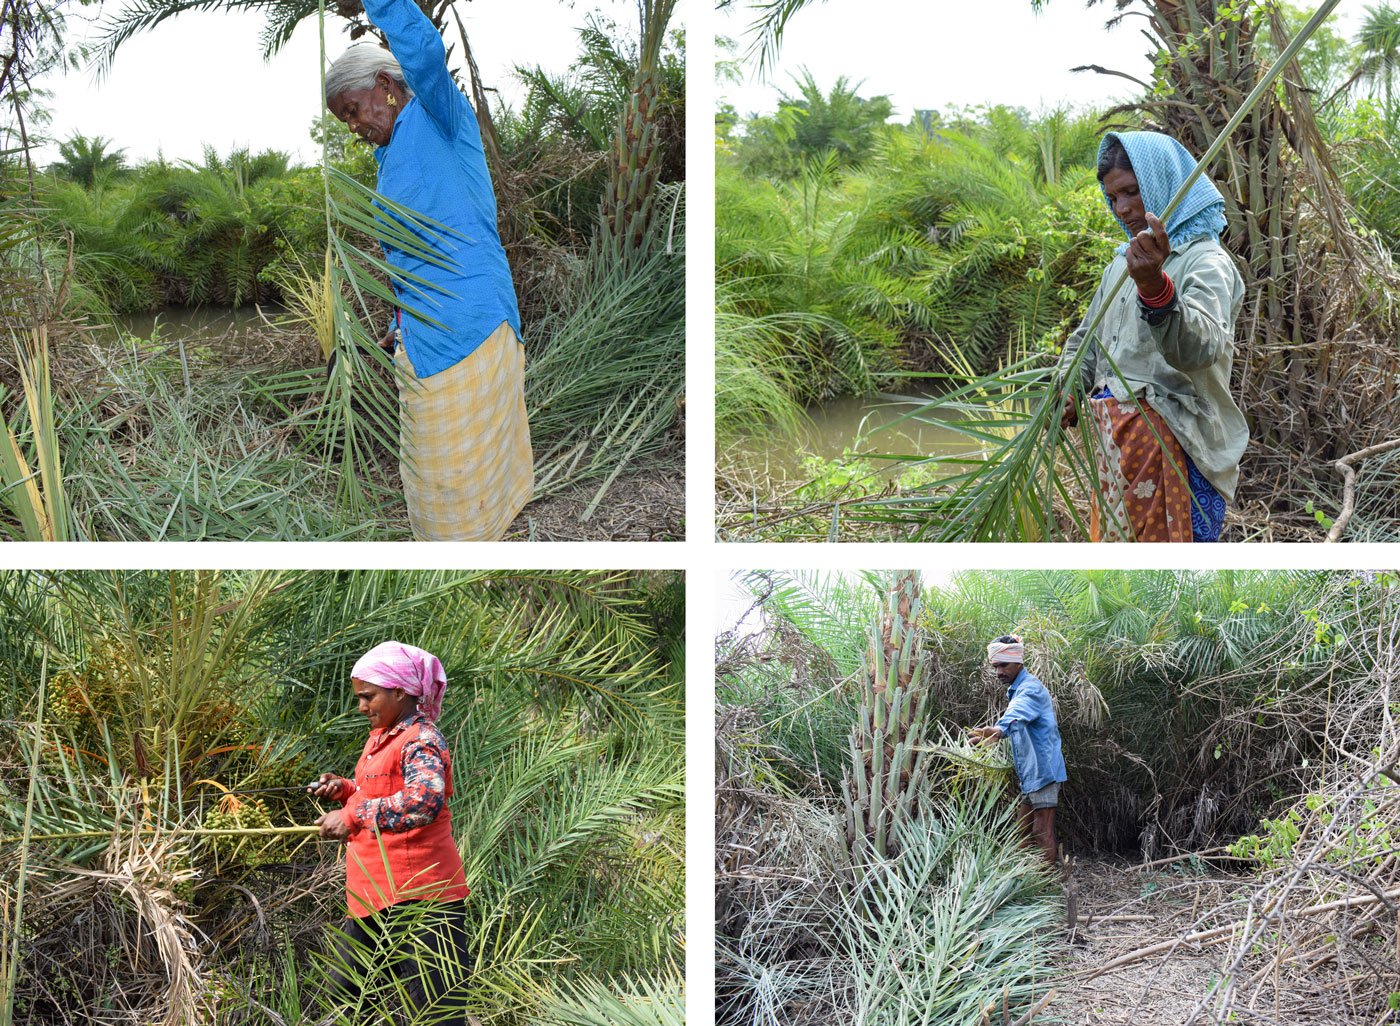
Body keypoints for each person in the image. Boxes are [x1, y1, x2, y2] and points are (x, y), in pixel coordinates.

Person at [324, 0, 533, 541]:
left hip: (472, 327)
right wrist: (398, 323)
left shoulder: (438, 115)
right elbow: (409, 261)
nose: (354, 126)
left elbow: (421, 49)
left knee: (461, 499)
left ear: (386, 85)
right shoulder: (389, 161)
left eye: (353, 109)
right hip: (425, 340)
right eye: (345, 119)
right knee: (440, 492)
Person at [1059, 131, 1248, 543]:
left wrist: (1156, 289)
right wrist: (1069, 386)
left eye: (1131, 191)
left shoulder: (1206, 262)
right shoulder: (1120, 267)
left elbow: (1200, 349)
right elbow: (1087, 341)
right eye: (1113, 198)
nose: (1122, 209)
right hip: (1117, 457)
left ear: (1164, 183)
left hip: (1178, 453)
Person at [309, 641, 471, 1020]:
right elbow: (382, 791)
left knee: (436, 1012)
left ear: (399, 692)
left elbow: (422, 803)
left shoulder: (422, 740)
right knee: (349, 1003)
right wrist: (345, 789)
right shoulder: (383, 737)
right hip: (374, 898)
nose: (362, 707)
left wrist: (354, 815)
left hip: (423, 899)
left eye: (368, 697)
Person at [966, 635, 1067, 867]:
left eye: (1004, 665)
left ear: (1018, 662)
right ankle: (1023, 880)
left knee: (1042, 831)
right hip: (1031, 774)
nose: (999, 671)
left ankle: (1045, 886)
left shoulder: (1029, 689)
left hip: (1044, 772)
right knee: (1021, 831)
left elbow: (1019, 713)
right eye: (995, 666)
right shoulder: (1017, 689)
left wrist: (999, 730)